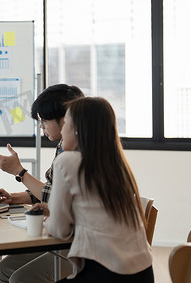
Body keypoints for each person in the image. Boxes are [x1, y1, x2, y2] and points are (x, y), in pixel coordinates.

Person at [40, 97, 153, 282]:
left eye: (65, 123)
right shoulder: (117, 166)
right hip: (143, 273)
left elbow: (58, 230)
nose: (62, 129)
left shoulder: (67, 161)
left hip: (106, 273)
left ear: (78, 129)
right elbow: (99, 215)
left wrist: (50, 217)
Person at [0, 84, 83, 283]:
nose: (41, 127)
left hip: (79, 242)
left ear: (65, 119)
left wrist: (20, 172)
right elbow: (50, 189)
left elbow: (56, 197)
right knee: (2, 270)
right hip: (63, 235)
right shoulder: (63, 145)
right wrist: (13, 198)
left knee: (20, 278)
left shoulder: (81, 150)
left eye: (44, 121)